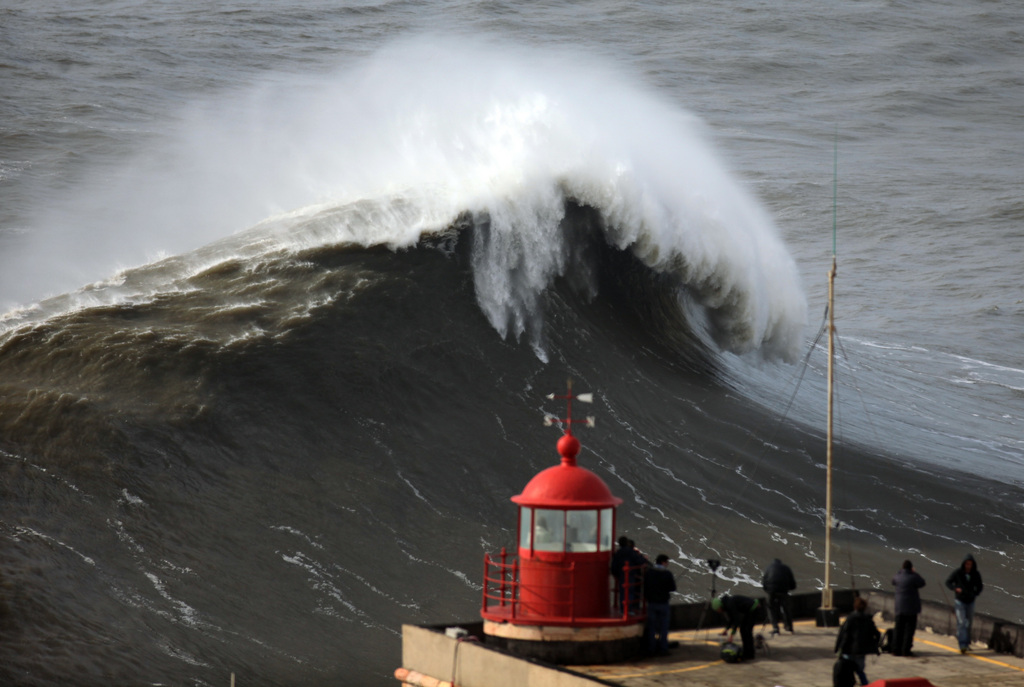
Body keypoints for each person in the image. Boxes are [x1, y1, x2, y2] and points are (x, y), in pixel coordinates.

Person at [834, 596, 880, 687]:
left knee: (847, 671)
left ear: (854, 606)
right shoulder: (868, 619)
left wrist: (838, 648)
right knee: (860, 671)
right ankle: (865, 685)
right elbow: (877, 634)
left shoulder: (850, 619)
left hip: (849, 650)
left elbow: (844, 635)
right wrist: (873, 645)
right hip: (861, 651)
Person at [945, 553, 983, 653]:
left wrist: (975, 593)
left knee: (968, 623)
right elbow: (948, 582)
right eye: (966, 564)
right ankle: (962, 644)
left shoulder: (975, 574)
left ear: (973, 565)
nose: (968, 566)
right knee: (961, 622)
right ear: (964, 564)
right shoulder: (958, 573)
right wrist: (955, 589)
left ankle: (967, 643)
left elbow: (980, 586)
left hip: (970, 602)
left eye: (970, 564)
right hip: (960, 601)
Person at [643, 554, 677, 655]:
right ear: (663, 562)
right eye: (667, 562)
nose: (668, 564)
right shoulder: (667, 574)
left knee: (652, 627)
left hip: (652, 604)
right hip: (663, 604)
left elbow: (645, 587)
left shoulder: (649, 573)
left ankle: (651, 649)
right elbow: (672, 588)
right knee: (664, 628)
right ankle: (663, 649)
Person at [891, 559, 926, 656]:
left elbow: (893, 581)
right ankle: (905, 650)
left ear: (902, 567)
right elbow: (922, 583)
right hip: (911, 608)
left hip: (899, 607)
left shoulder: (898, 576)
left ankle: (895, 649)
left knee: (898, 628)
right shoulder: (913, 577)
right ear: (911, 568)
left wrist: (900, 572)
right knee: (909, 630)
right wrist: (914, 573)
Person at [712, 594, 762, 661]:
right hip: (748, 611)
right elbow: (731, 619)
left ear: (719, 606)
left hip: (753, 608)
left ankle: (750, 654)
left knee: (747, 631)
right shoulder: (727, 604)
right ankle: (746, 652)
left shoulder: (730, 604)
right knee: (743, 630)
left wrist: (732, 635)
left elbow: (736, 620)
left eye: (718, 610)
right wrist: (726, 629)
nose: (719, 612)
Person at [610, 537, 646, 613]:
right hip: (630, 575)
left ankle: (622, 609)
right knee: (630, 592)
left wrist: (616, 574)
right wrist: (644, 558)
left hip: (620, 575)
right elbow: (639, 560)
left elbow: (614, 565)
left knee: (622, 592)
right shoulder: (630, 551)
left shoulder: (618, 552)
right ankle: (628, 610)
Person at [761, 558, 797, 635]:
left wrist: (767, 590)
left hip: (771, 591)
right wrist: (788, 589)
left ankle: (775, 628)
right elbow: (792, 583)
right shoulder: (786, 568)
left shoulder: (768, 568)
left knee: (770, 607)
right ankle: (789, 627)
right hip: (783, 591)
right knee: (786, 608)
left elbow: (764, 581)